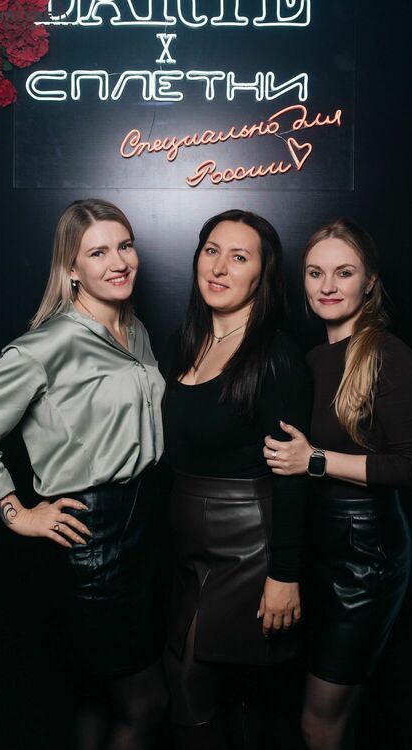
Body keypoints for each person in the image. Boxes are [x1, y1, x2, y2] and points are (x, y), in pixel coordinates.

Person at [0, 199, 167, 750]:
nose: (118, 262)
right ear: (71, 268)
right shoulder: (49, 344)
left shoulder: (134, 329)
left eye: (125, 246)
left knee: (96, 696)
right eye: (98, 252)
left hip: (145, 528)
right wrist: (14, 511)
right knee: (145, 703)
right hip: (93, 538)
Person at [263, 218, 412, 750]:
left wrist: (314, 461)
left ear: (369, 282)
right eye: (316, 273)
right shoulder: (312, 359)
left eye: (344, 272)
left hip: (366, 555)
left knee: (320, 723)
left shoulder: (387, 354)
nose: (328, 286)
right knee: (319, 714)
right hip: (319, 544)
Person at [162, 209, 311, 748]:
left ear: (261, 275)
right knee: (188, 690)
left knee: (196, 689)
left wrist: (284, 575)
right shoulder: (183, 341)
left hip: (248, 547)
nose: (219, 267)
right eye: (211, 251)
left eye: (239, 257)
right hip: (186, 548)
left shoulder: (276, 357)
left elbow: (292, 475)